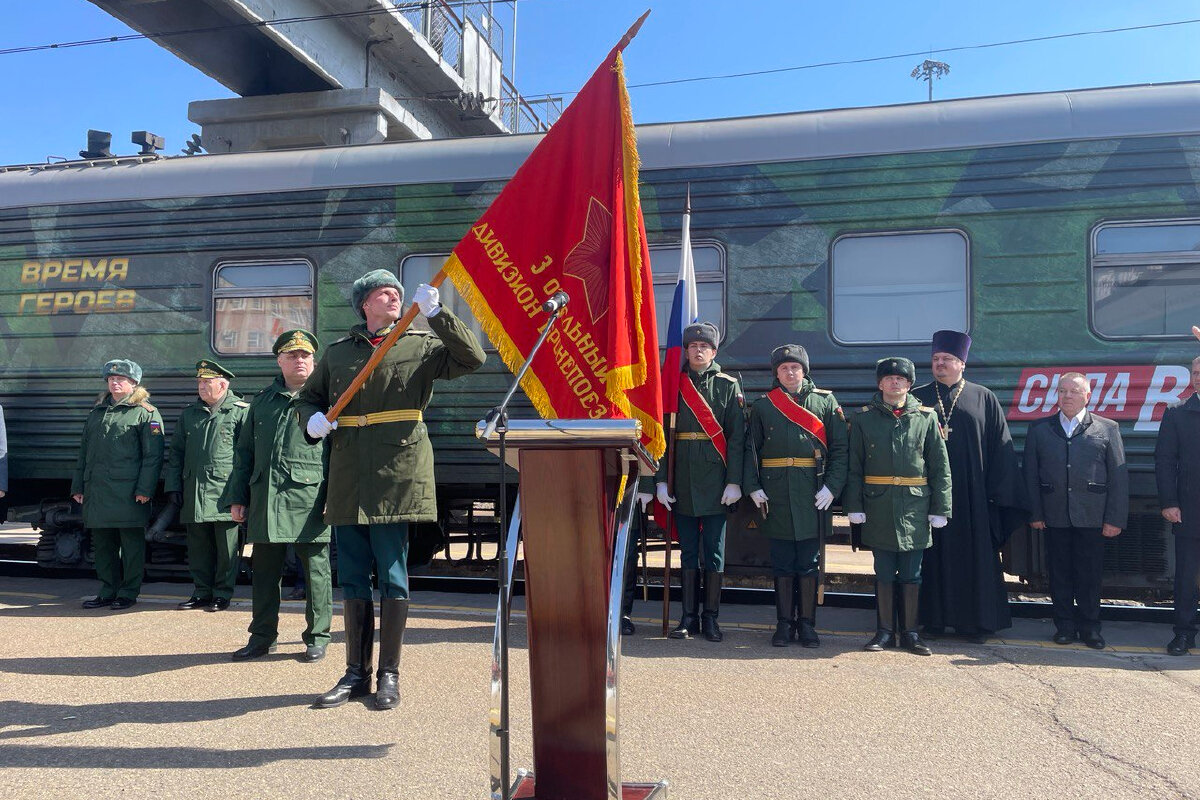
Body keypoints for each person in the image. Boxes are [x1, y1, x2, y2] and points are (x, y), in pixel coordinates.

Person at [299, 270, 484, 709]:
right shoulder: (340, 353)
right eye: (385, 293)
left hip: (397, 470)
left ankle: (389, 674)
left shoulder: (419, 344)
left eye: (398, 293)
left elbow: (472, 357)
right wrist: (312, 421)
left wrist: (440, 315)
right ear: (365, 304)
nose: (395, 296)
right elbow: (310, 396)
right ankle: (354, 674)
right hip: (349, 472)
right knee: (353, 576)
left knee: (394, 575)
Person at [221, 330, 333, 663]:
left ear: (314, 361)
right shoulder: (263, 401)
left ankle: (317, 637)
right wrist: (237, 497)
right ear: (280, 361)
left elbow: (340, 454)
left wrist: (335, 496)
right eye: (291, 355)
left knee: (316, 571)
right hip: (265, 497)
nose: (299, 360)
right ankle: (262, 636)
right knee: (265, 571)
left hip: (310, 497)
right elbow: (244, 453)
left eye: (305, 355)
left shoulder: (330, 400)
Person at [911, 330, 1027, 643]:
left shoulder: (983, 397)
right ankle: (932, 621)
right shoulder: (918, 397)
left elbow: (1000, 449)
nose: (940, 364)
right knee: (930, 558)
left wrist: (997, 497)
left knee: (974, 559)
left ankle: (975, 623)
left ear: (962, 363)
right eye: (936, 359)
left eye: (946, 359)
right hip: (928, 497)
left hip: (973, 498)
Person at [844, 357, 952, 656]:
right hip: (878, 506)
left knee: (911, 574)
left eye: (901, 379)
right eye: (889, 378)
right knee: (883, 572)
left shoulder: (927, 418)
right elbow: (854, 467)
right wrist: (853, 505)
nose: (895, 383)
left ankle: (911, 633)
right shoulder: (863, 419)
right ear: (880, 384)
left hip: (915, 507)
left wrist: (941, 507)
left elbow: (940, 467)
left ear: (909, 384)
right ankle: (884, 631)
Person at [743, 344, 848, 647]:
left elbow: (841, 450)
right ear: (776, 373)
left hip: (813, 491)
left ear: (804, 370)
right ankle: (783, 624)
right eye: (784, 368)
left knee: (808, 562)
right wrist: (753, 486)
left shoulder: (826, 402)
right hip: (775, 493)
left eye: (795, 367)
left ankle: (808, 625)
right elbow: (750, 450)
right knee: (782, 562)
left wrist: (832, 487)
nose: (790, 372)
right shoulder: (764, 405)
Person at [1023, 372, 1128, 650]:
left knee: (1090, 575)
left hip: (1092, 517)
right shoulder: (1040, 429)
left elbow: (1118, 478)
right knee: (1059, 575)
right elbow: (1030, 475)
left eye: (1074, 391)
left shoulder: (1107, 429)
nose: (1067, 396)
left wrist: (1114, 518)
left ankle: (1090, 628)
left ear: (1087, 396)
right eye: (1063, 391)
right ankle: (1064, 627)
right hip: (1054, 515)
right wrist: (1035, 513)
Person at [655, 322, 745, 642]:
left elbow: (737, 440)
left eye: (704, 346)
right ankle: (688, 617)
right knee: (688, 553)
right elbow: (663, 435)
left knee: (715, 554)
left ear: (714, 351)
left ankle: (711, 618)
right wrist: (661, 481)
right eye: (692, 346)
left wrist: (734, 481)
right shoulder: (672, 384)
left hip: (717, 480)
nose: (698, 350)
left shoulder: (727, 385)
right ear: (687, 350)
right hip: (682, 480)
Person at [72, 359, 165, 610]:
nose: (114, 382)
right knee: (103, 545)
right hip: (98, 491)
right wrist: (78, 486)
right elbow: (84, 453)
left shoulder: (147, 413)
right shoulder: (97, 412)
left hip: (128, 493)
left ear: (134, 383)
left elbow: (153, 456)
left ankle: (128, 593)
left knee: (132, 546)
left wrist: (145, 489)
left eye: (120, 379)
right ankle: (107, 590)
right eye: (111, 379)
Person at [165, 360, 248, 613]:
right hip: (194, 490)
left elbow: (247, 456)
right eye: (200, 382)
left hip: (225, 491)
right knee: (198, 547)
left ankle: (222, 594)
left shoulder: (240, 411)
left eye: (207, 382)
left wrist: (242, 495)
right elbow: (176, 453)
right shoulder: (190, 414)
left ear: (223, 384)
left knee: (227, 549)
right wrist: (173, 487)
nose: (202, 387)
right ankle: (201, 592)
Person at [1154, 356, 1200, 656]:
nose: (1198, 376)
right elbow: (1165, 461)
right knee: (1186, 577)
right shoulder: (1177, 413)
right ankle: (1184, 634)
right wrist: (1169, 502)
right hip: (1190, 510)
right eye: (1195, 372)